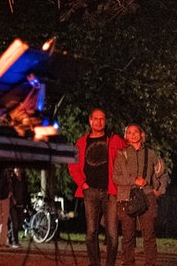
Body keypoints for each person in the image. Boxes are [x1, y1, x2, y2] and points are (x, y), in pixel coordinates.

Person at [68, 109, 126, 266]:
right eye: (96, 118)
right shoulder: (81, 142)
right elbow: (73, 166)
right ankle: (94, 263)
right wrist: (83, 184)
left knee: (112, 233)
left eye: (102, 119)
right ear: (90, 120)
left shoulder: (114, 140)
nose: (99, 122)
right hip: (90, 191)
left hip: (111, 191)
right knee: (91, 232)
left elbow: (129, 155)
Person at [113, 123, 168, 266]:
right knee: (128, 235)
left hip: (147, 195)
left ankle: (150, 263)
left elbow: (162, 173)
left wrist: (158, 190)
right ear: (126, 136)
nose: (133, 135)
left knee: (149, 233)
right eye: (129, 132)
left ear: (141, 134)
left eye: (135, 132)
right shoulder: (121, 154)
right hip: (126, 197)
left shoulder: (151, 154)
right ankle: (128, 262)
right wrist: (133, 181)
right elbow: (116, 177)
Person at [9, 168, 29, 248]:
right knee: (15, 223)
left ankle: (10, 236)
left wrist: (26, 203)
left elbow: (25, 193)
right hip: (13, 205)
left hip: (20, 204)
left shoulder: (23, 181)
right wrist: (13, 199)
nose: (18, 172)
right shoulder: (12, 180)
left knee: (20, 223)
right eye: (16, 171)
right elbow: (10, 191)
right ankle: (15, 241)